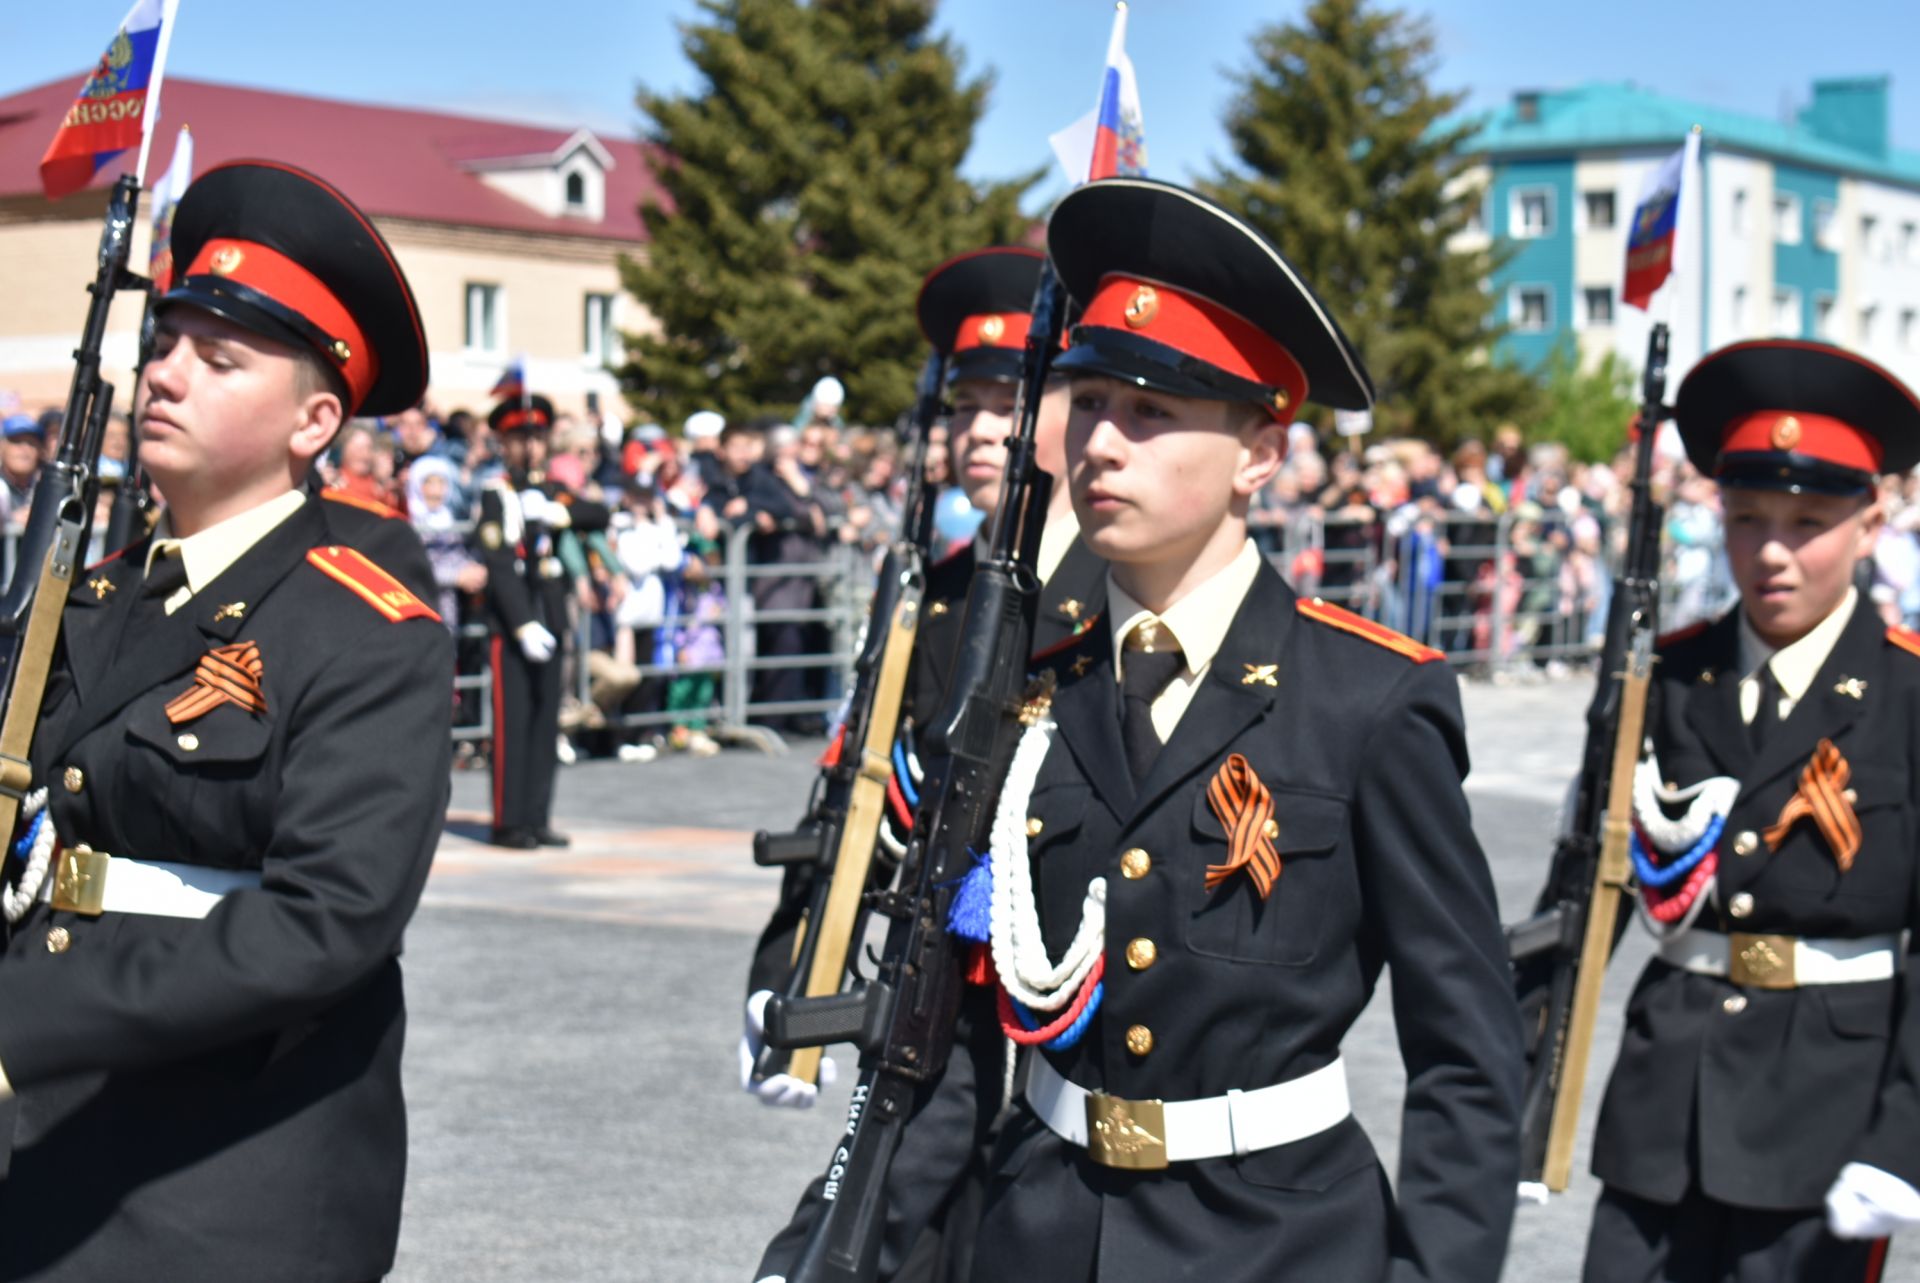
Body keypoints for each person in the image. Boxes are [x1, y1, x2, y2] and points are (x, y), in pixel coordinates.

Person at [957, 178, 1520, 1283]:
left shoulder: (1367, 699)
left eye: (1153, 412)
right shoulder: (1027, 681)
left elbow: (1468, 1049)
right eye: (1090, 400)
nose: (1102, 444)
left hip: (1277, 1240)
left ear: (1259, 453)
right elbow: (955, 1018)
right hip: (1040, 1225)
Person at [0, 159, 451, 1282]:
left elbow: (329, 919)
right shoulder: (91, 596)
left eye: (220, 359)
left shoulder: (366, 631)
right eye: (165, 346)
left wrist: (23, 1026)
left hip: (228, 1167)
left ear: (316, 419)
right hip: (40, 1143)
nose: (167, 376)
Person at [750, 245, 1110, 1283]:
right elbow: (862, 782)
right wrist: (787, 957)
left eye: (1011, 401)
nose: (979, 430)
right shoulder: (938, 590)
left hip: (1068, 992)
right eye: (963, 407)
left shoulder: (1118, 588)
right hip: (937, 975)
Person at [1581, 339, 1920, 1283]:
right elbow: (1590, 889)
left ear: (1871, 519)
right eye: (1744, 517)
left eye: (1808, 520)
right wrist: (1522, 1081)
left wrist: (1905, 1139)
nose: (1770, 551)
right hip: (1660, 1107)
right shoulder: (1666, 677)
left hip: (1824, 1122)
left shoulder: (1906, 695)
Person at [473, 395, 571, 850]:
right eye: (520, 439)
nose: (530, 447)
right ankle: (508, 820)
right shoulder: (496, 493)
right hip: (515, 627)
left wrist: (558, 513)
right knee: (513, 724)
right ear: (504, 444)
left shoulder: (550, 491)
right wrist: (521, 625)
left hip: (550, 615)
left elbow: (597, 512)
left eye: (536, 437)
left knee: (545, 720)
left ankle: (537, 815)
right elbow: (496, 560)